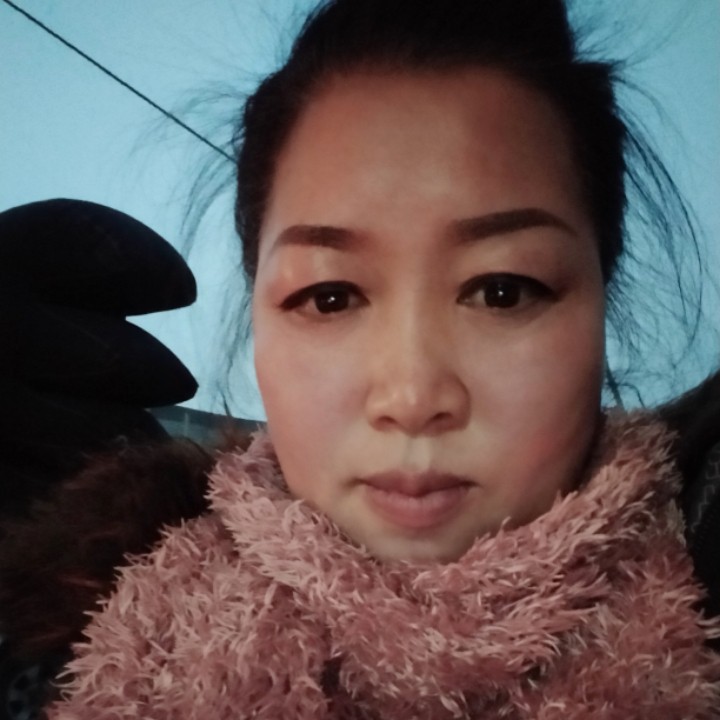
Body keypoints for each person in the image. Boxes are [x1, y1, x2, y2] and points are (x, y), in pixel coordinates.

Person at [18, 0, 720, 716]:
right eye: (331, 298)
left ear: (602, 301)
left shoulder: (703, 571)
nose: (411, 396)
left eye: (502, 291)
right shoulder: (72, 627)